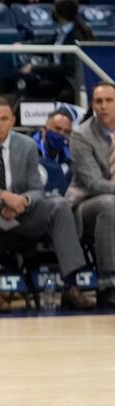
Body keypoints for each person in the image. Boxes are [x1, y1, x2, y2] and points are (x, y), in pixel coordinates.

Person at [0, 96, 95, 312]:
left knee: (58, 204)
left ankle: (71, 286)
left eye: (3, 118)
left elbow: (37, 189)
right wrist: (1, 195)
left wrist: (24, 200)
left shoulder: (27, 145)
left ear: (12, 120)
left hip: (21, 215)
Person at [66, 82, 115, 310]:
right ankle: (108, 284)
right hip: (85, 203)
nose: (103, 106)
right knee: (109, 204)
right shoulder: (81, 135)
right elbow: (93, 183)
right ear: (93, 105)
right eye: (99, 101)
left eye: (109, 101)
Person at [18, 0, 95, 103]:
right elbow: (48, 45)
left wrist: (34, 68)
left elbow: (68, 67)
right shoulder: (61, 32)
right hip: (58, 77)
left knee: (45, 86)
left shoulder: (77, 35)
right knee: (29, 80)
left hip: (72, 80)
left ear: (59, 13)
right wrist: (23, 46)